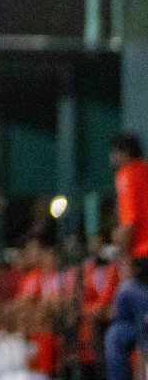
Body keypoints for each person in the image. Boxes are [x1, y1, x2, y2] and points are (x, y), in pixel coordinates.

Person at [104, 132, 148, 380]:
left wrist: (124, 266)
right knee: (116, 336)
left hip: (143, 260)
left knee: (127, 301)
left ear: (123, 153)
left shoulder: (128, 173)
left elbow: (128, 227)